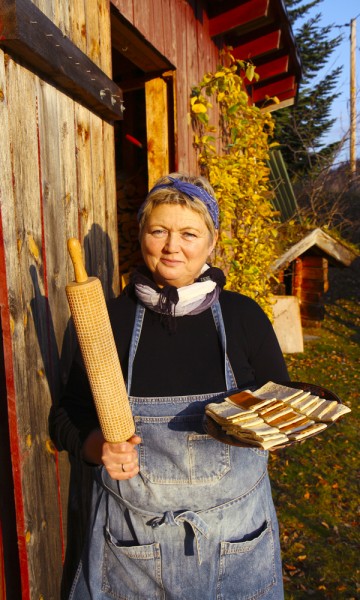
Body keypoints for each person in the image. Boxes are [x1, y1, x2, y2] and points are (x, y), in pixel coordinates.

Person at [50, 173, 290, 599]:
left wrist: (271, 425)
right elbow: (65, 416)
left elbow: (282, 409)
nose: (171, 246)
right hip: (132, 551)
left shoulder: (243, 318)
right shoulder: (110, 321)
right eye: (158, 230)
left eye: (188, 233)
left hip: (237, 545)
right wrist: (96, 447)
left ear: (211, 242)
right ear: (141, 234)